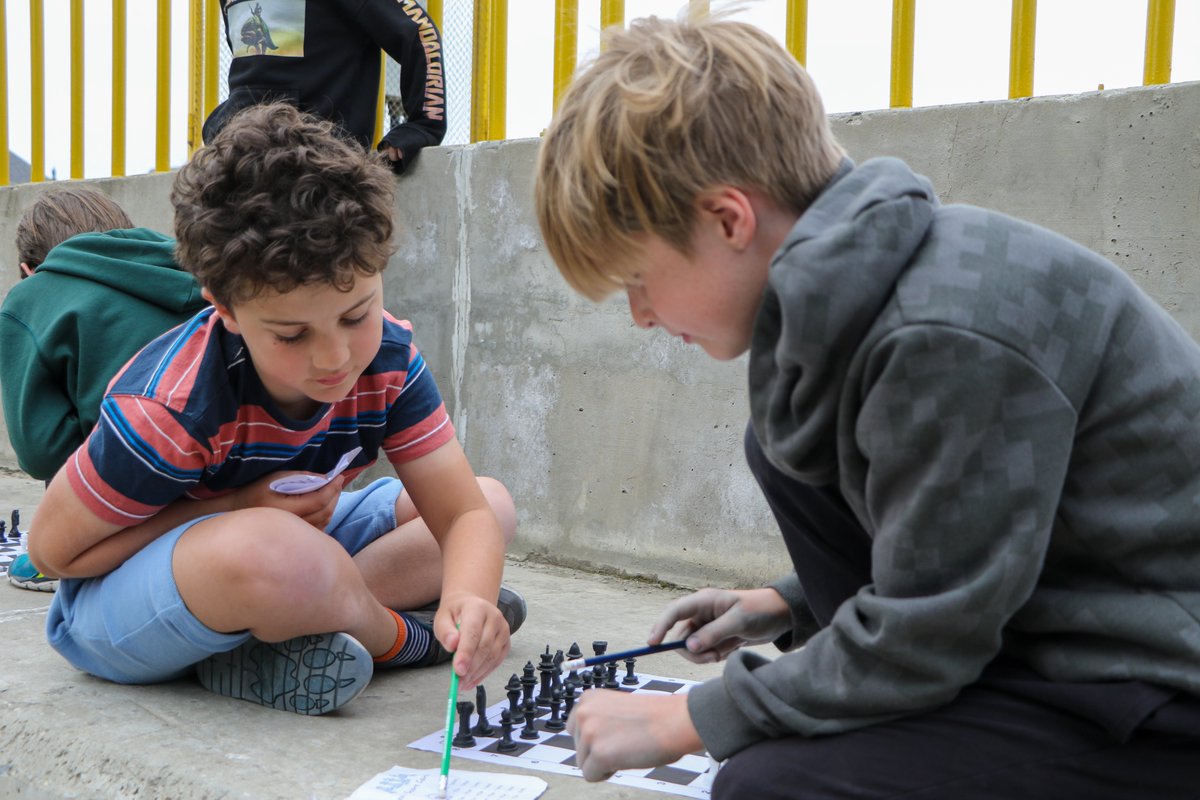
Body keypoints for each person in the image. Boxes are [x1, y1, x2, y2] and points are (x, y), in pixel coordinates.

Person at [534, 14, 1200, 798]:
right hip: (1051, 641)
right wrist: (782, 603)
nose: (640, 315)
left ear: (727, 219)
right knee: (780, 445)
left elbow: (931, 631)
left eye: (637, 281)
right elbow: (959, 541)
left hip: (1153, 693)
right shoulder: (864, 314)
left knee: (767, 786)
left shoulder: (942, 332)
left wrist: (684, 720)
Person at [26, 102, 522, 716]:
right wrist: (239, 506)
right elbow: (52, 554)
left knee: (492, 506)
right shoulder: (172, 406)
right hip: (116, 611)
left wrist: (471, 592)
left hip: (294, 552)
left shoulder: (387, 357)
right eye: (291, 336)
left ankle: (294, 624)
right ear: (226, 311)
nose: (336, 357)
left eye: (356, 314)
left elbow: (463, 513)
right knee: (272, 553)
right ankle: (398, 636)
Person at [1, 187, 210, 592]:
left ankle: (72, 559)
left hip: (129, 500)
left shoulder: (33, 295)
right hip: (231, 479)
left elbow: (41, 453)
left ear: (29, 268)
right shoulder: (201, 266)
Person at [203, 0, 446, 175]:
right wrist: (222, 124)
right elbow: (254, 69)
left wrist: (424, 125)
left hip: (322, 170)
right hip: (241, 162)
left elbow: (420, 33)